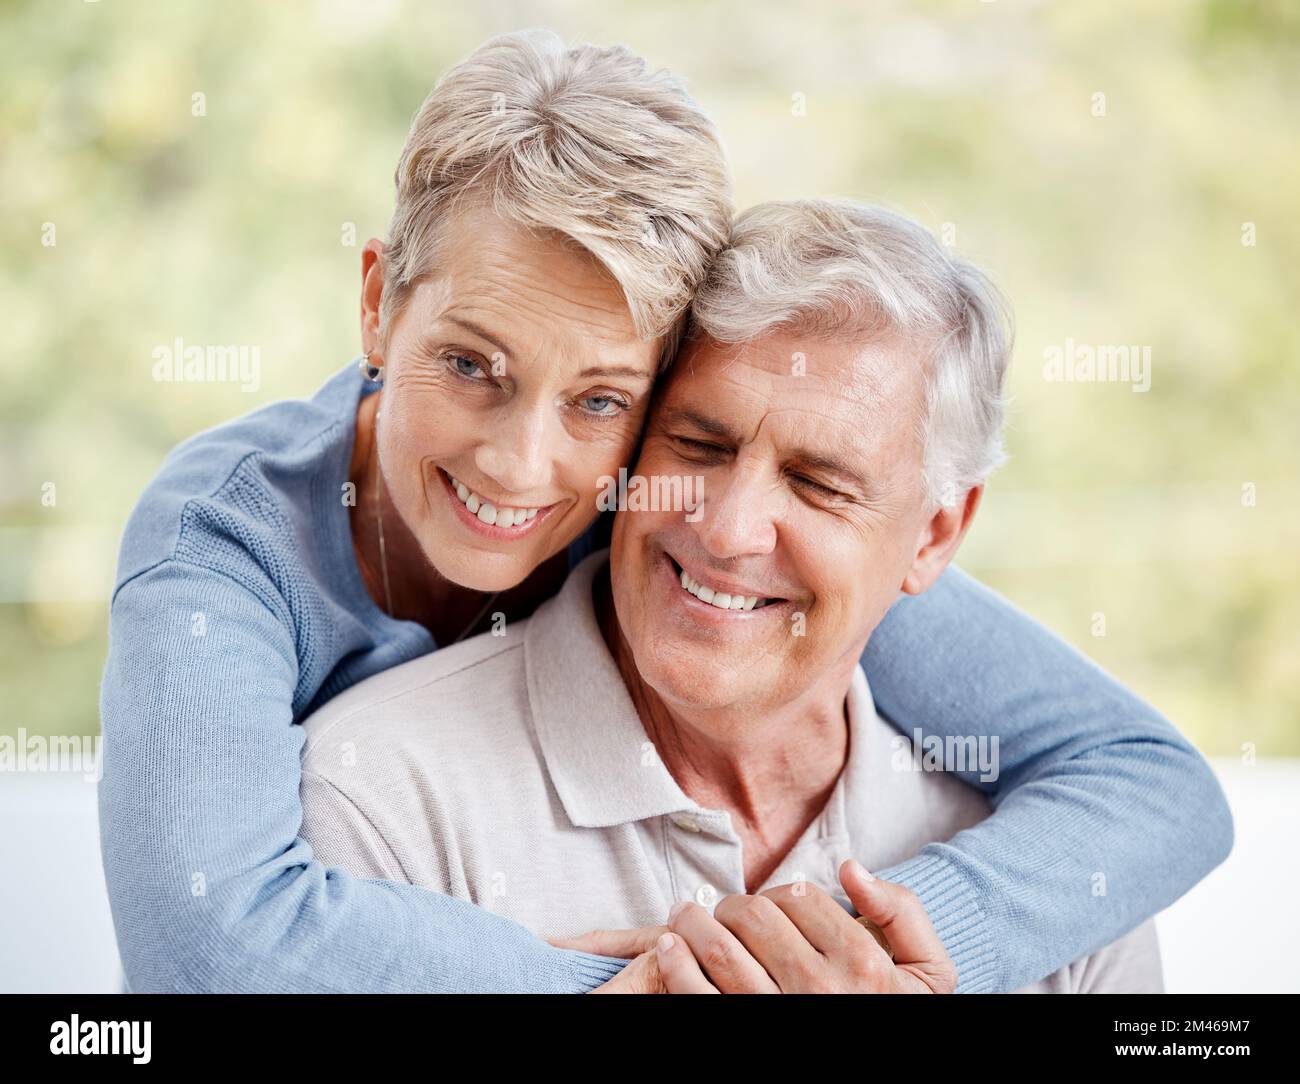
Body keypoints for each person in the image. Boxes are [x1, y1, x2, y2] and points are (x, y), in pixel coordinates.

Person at [99, 32, 1229, 994]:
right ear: (374, 303)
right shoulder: (225, 548)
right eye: (469, 363)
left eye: (600, 397)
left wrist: (869, 946)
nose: (522, 463)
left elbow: (1147, 778)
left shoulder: (676, 495)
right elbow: (208, 936)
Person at [294, 199, 1164, 993]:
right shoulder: (375, 802)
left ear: (935, 534)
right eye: (699, 446)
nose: (728, 529)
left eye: (820, 483)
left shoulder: (1051, 868)